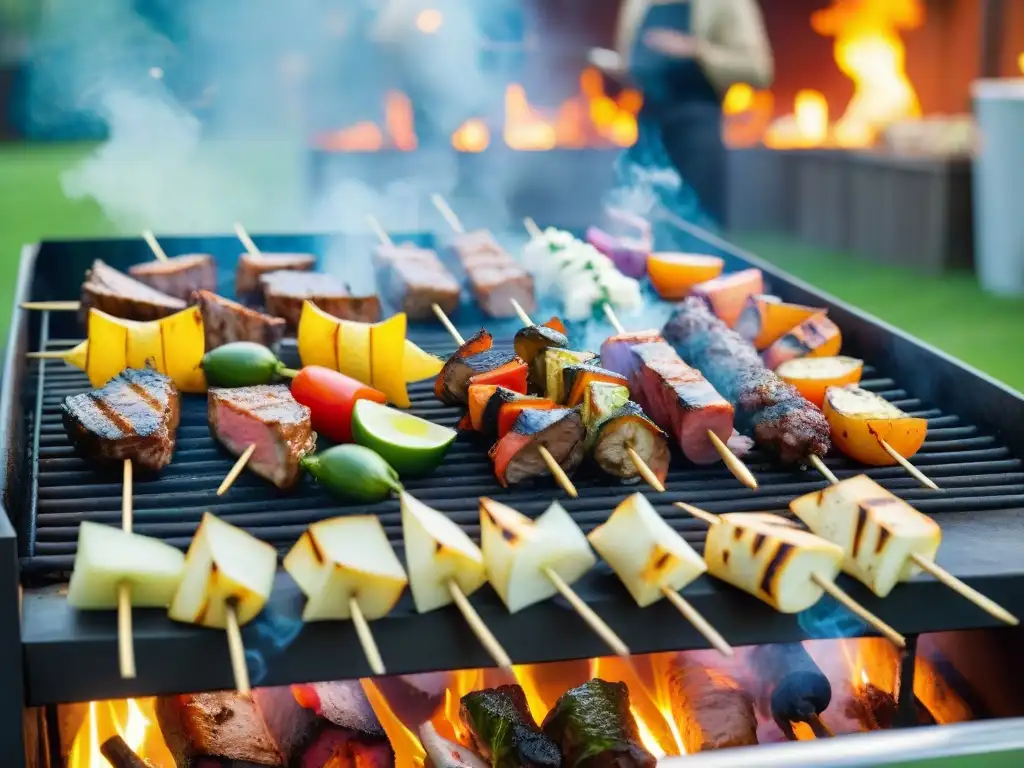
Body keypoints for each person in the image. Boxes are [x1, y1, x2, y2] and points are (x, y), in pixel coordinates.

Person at [592, 0, 773, 228]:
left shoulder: (729, 3)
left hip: (697, 133)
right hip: (647, 132)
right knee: (637, 224)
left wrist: (694, 50)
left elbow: (759, 70)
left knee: (700, 232)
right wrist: (616, 69)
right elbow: (632, 67)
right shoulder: (637, 3)